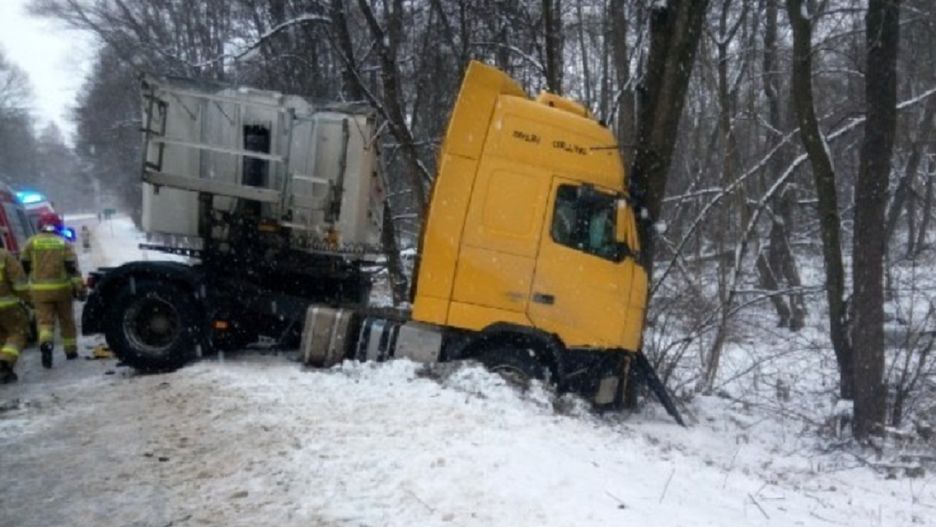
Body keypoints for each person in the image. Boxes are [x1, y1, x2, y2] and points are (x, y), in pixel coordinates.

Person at [21, 212, 86, 368]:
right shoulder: (63, 243)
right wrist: (80, 288)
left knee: (44, 322)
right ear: (58, 225)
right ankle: (71, 351)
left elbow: (24, 264)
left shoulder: (31, 243)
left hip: (39, 291)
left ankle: (47, 344)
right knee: (66, 320)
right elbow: (72, 268)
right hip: (62, 289)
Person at [0, 248, 30, 383]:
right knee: (17, 333)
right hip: (7, 306)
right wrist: (29, 299)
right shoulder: (4, 255)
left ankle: (6, 370)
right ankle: (4, 362)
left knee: (2, 338)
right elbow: (19, 283)